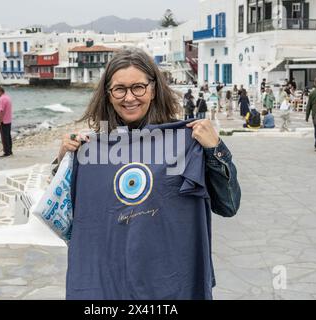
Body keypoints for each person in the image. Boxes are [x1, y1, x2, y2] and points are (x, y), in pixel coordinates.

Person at [56, 48, 241, 300]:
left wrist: (215, 149)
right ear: (108, 95)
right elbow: (60, 212)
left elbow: (228, 205)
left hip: (170, 285)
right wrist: (63, 161)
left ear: (153, 89)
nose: (129, 97)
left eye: (138, 87)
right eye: (119, 89)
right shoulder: (91, 150)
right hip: (109, 287)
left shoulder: (185, 142)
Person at [0, 86, 13, 157]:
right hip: (9, 119)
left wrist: (0, 121)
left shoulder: (1, 99)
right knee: (8, 136)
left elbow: (1, 111)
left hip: (4, 120)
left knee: (4, 137)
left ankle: (6, 152)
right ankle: (10, 150)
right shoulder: (8, 97)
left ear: (0, 91)